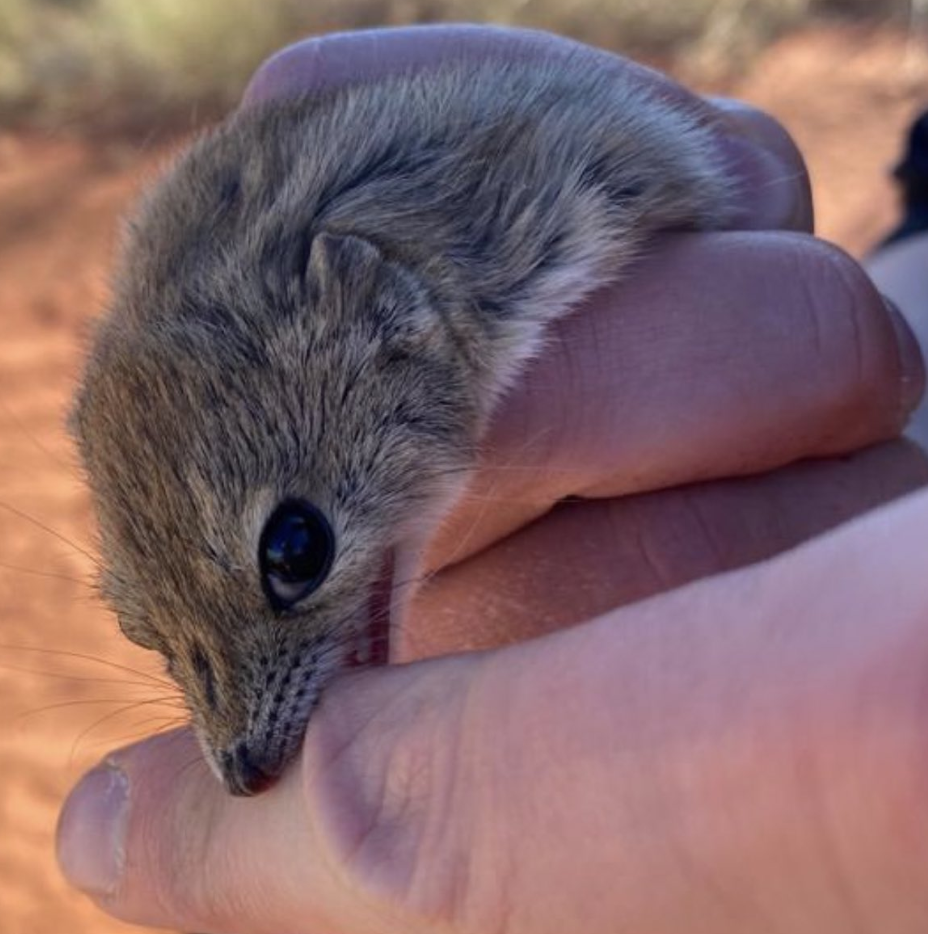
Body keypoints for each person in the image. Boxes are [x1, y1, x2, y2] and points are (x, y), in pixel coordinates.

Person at [56, 26, 928, 934]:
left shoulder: (488, 248)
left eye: (293, 553)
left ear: (379, 314)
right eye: (151, 630)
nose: (235, 755)